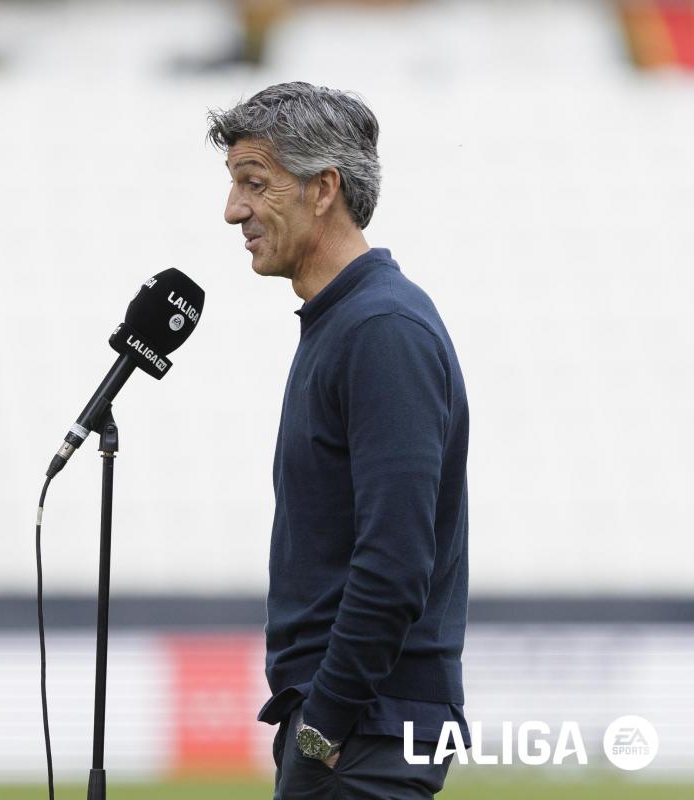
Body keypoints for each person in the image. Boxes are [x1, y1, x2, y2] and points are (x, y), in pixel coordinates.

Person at [208, 83, 471, 798]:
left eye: (254, 184)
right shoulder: (347, 322)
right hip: (358, 727)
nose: (234, 211)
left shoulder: (381, 329)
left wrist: (324, 723)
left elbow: (394, 560)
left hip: (366, 732)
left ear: (323, 189)